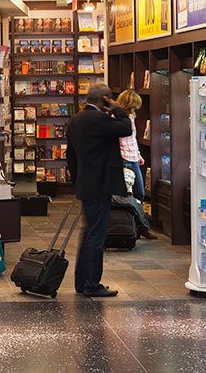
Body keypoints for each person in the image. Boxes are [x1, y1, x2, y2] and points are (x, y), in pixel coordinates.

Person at [66, 83, 132, 297]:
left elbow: (70, 156)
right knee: (96, 236)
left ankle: (82, 282)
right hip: (100, 183)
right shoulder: (100, 119)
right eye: (110, 98)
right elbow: (126, 128)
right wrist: (116, 108)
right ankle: (92, 284)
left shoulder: (75, 120)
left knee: (88, 234)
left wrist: (77, 180)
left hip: (86, 182)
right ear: (104, 99)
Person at [116, 90, 157, 240]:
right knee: (132, 194)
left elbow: (132, 140)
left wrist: (138, 155)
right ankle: (135, 227)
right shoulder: (120, 119)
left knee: (139, 193)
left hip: (132, 157)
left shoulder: (131, 118)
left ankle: (139, 227)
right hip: (124, 159)